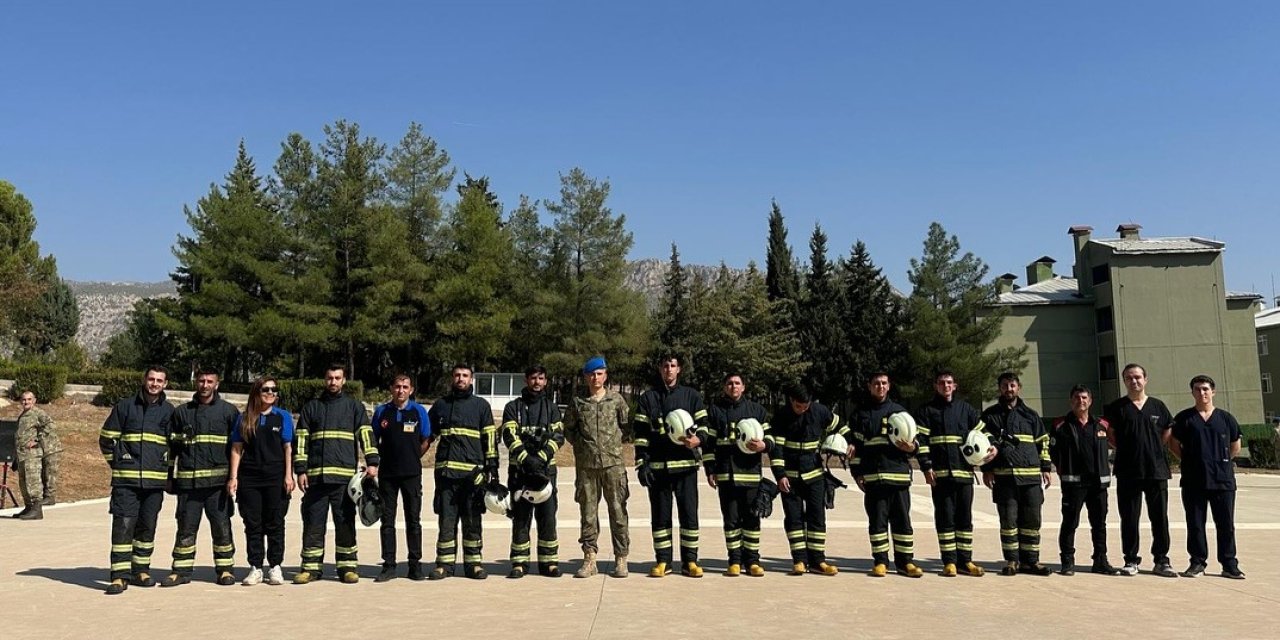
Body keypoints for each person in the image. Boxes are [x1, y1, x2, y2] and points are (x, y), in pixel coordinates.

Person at [293, 364, 378, 584]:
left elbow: (366, 435)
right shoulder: (312, 407)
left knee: (345, 524)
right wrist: (300, 470)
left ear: (344, 380)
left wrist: (372, 462)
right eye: (330, 378)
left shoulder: (354, 407)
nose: (333, 382)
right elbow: (301, 441)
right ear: (325, 379)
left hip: (343, 480)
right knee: (313, 524)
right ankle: (310, 568)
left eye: (337, 378)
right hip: (316, 480)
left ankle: (347, 567)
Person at [99, 366, 176, 595]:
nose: (154, 383)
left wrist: (168, 475)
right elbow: (106, 439)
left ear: (165, 384)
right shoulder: (124, 407)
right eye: (151, 379)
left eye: (159, 380)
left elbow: (172, 449)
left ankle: (140, 570)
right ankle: (119, 576)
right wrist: (119, 464)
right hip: (126, 483)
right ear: (144, 380)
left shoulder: (169, 411)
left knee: (146, 527)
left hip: (154, 484)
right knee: (123, 527)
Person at [161, 368, 240, 587]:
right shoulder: (182, 413)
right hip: (188, 486)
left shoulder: (229, 412)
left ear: (217, 384)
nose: (205, 385)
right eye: (201, 381)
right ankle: (181, 570)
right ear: (196, 382)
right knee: (185, 529)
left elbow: (238, 448)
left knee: (222, 528)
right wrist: (169, 476)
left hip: (217, 486)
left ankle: (225, 569)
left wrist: (234, 478)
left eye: (209, 381)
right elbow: (171, 448)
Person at [634, 354, 710, 578]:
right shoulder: (648, 398)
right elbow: (640, 435)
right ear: (660, 369)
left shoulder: (692, 396)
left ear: (679, 370)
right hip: (658, 469)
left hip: (686, 467)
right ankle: (663, 561)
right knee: (660, 517)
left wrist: (699, 440)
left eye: (673, 366)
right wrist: (642, 464)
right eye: (665, 366)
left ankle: (690, 562)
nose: (669, 369)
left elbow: (706, 427)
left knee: (688, 515)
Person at [843, 372, 923, 578]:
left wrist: (912, 447)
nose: (880, 386)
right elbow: (855, 448)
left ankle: (906, 562)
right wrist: (857, 473)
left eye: (884, 383)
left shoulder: (900, 411)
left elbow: (917, 443)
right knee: (877, 523)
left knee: (902, 521)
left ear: (889, 386)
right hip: (874, 478)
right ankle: (880, 561)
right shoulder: (860, 414)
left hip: (898, 478)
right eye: (876, 383)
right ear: (870, 386)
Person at [913, 370, 991, 577]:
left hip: (964, 475)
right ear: (935, 386)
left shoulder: (966, 410)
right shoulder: (927, 411)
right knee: (945, 518)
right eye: (941, 383)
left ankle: (966, 561)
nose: (945, 386)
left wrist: (992, 447)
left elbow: (983, 433)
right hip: (940, 475)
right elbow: (922, 443)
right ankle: (949, 562)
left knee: (964, 518)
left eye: (949, 383)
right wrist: (926, 467)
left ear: (955, 386)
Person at [1102, 363, 1177, 577]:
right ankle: (1131, 559)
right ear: (1124, 381)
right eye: (1128, 378)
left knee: (1159, 517)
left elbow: (1166, 433)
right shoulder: (1117, 408)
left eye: (1137, 377)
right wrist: (1129, 450)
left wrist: (1152, 449)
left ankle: (1161, 560)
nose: (1134, 381)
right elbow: (1111, 436)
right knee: (1129, 517)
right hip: (1128, 471)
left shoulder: (1158, 406)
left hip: (1156, 471)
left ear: (1145, 379)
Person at [1170, 375, 1245, 579]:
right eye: (1197, 389)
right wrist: (1189, 460)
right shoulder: (1185, 418)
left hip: (1223, 481)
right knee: (1195, 524)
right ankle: (1197, 562)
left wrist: (1220, 462)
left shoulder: (1226, 419)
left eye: (1205, 389)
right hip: (1194, 480)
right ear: (1192, 392)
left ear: (1213, 392)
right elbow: (1173, 443)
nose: (1201, 393)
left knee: (1226, 524)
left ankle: (1229, 564)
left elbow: (1235, 446)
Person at [564, 356, 632, 579]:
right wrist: (584, 447)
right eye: (592, 374)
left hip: (613, 465)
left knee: (618, 511)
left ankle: (621, 557)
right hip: (587, 467)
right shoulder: (577, 402)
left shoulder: (616, 400)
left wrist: (611, 446)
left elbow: (626, 426)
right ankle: (589, 557)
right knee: (588, 513)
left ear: (605, 376)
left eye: (600, 373)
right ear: (586, 377)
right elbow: (569, 430)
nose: (596, 378)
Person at [428, 363, 497, 580]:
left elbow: (490, 440)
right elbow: (427, 437)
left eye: (465, 375)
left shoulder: (481, 406)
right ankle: (444, 565)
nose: (461, 379)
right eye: (457, 375)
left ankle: (474, 564)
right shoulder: (440, 406)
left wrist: (492, 470)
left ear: (472, 379)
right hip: (446, 477)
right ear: (452, 378)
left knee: (472, 521)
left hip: (473, 477)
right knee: (446, 522)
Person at [981, 372, 1053, 576]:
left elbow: (1043, 442)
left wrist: (1046, 468)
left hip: (1030, 479)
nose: (1008, 389)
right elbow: (983, 444)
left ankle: (1031, 561)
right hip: (1005, 479)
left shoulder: (1031, 415)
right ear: (999, 388)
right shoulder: (990, 415)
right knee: (1009, 522)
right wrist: (987, 470)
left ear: (1018, 387)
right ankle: (1012, 560)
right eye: (1004, 385)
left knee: (1032, 522)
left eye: (1012, 385)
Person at [228, 377, 295, 586]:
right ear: (257, 392)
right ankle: (255, 566)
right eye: (266, 389)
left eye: (274, 390)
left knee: (275, 522)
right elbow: (236, 449)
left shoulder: (282, 416)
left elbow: (288, 448)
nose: (270, 393)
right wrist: (233, 477)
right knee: (253, 523)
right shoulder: (245, 418)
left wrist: (288, 475)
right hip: (250, 478)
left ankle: (275, 566)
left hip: (275, 477)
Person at [500, 364, 565, 578]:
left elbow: (558, 436)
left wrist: (541, 458)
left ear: (545, 381)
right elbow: (509, 435)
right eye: (533, 378)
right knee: (521, 518)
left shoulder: (551, 408)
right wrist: (526, 459)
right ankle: (519, 563)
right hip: (520, 473)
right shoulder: (513, 407)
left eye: (541, 378)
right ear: (526, 380)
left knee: (547, 518)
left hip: (546, 473)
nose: (537, 382)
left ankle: (549, 563)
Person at [704, 373, 771, 577]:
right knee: (731, 519)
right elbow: (709, 444)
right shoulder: (715, 411)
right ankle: (734, 560)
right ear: (725, 387)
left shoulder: (756, 410)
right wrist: (710, 469)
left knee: (752, 519)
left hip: (750, 475)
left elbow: (771, 438)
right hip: (726, 475)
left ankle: (752, 561)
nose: (734, 386)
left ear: (744, 387)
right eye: (730, 383)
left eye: (737, 383)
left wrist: (764, 445)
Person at [1049, 385, 1121, 576]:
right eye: (1076, 397)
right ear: (1070, 401)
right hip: (1073, 484)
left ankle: (1100, 560)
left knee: (1099, 524)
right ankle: (1067, 561)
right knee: (1070, 522)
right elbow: (1053, 452)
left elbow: (1117, 443)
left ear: (1090, 401)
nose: (1080, 401)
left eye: (1084, 397)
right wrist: (1063, 470)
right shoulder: (1060, 425)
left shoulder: (1102, 424)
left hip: (1098, 484)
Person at [771, 382, 841, 576]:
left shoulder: (819, 411)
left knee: (817, 518)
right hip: (790, 478)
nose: (802, 409)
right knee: (794, 519)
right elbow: (776, 449)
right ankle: (799, 560)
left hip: (815, 476)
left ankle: (818, 561)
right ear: (791, 401)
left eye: (806, 406)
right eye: (798, 406)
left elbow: (840, 427)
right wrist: (780, 475)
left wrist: (847, 443)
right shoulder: (782, 416)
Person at [371, 374, 432, 582]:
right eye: (397, 386)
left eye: (405, 387)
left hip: (412, 475)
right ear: (391, 388)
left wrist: (413, 457)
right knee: (387, 522)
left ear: (411, 390)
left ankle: (415, 565)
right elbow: (373, 440)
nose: (401, 390)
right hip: (387, 475)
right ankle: (388, 566)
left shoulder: (419, 411)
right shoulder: (381, 412)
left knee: (413, 521)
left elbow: (425, 440)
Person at [11, 390, 58, 520]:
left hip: (32, 454)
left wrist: (37, 440)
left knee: (33, 481)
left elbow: (51, 426)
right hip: (22, 455)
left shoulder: (38, 413)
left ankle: (37, 510)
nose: (26, 402)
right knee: (23, 483)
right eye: (24, 400)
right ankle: (28, 507)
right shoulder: (23, 415)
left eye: (29, 399)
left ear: (34, 401)